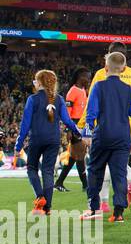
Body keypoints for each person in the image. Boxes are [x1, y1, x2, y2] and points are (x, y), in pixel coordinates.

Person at [82, 51, 131, 222]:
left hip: (103, 134)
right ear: (124, 68)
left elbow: (92, 113)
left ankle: (94, 207)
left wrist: (87, 132)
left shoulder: (98, 87)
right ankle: (118, 213)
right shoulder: (128, 89)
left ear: (106, 67)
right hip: (122, 137)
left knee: (95, 171)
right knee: (119, 174)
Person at [12, 69, 82, 215]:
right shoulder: (60, 99)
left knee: (32, 168)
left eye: (35, 81)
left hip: (36, 139)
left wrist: (18, 146)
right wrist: (77, 132)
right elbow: (67, 121)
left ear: (39, 83)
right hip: (53, 139)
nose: (34, 84)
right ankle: (47, 208)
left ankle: (40, 197)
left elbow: (25, 125)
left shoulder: (33, 99)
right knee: (48, 171)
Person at [53, 67, 90, 192]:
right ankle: (86, 185)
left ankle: (59, 182)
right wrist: (68, 130)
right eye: (87, 76)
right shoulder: (72, 91)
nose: (89, 79)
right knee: (80, 154)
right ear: (81, 77)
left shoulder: (83, 90)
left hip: (81, 124)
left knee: (75, 156)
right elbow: (67, 113)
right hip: (74, 124)